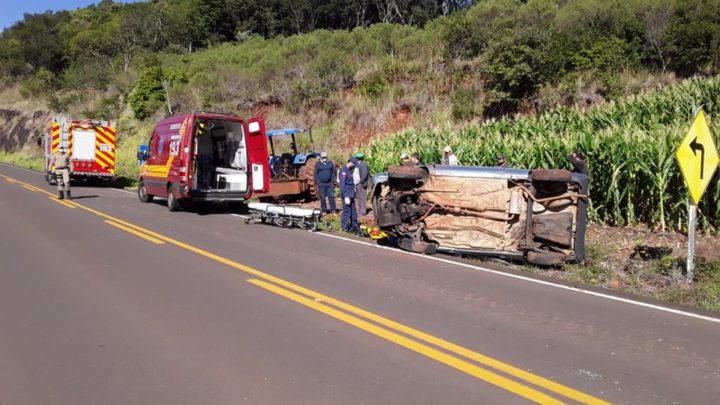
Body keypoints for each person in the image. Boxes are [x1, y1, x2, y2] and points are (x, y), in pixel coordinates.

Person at [339, 158, 359, 233]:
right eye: (354, 165)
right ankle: (344, 227)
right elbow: (342, 184)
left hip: (351, 194)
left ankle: (355, 227)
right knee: (347, 212)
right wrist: (345, 196)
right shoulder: (343, 171)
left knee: (353, 212)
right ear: (350, 163)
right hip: (346, 194)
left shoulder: (349, 170)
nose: (354, 166)